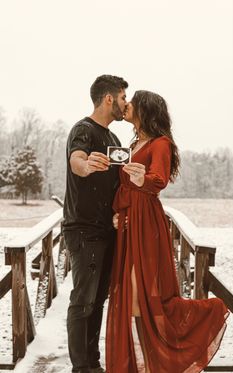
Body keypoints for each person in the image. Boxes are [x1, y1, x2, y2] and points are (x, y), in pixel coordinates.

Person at [106, 90, 229, 373]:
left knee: (145, 298)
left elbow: (158, 180)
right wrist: (119, 211)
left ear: (144, 110)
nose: (127, 106)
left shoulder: (160, 143)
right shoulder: (135, 142)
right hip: (129, 221)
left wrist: (142, 178)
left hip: (146, 223)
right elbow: (125, 187)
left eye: (132, 102)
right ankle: (148, 366)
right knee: (130, 299)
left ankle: (169, 353)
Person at [63, 74, 128, 373]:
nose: (125, 104)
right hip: (84, 229)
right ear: (109, 98)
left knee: (98, 300)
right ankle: (81, 368)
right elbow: (77, 159)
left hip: (107, 230)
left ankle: (93, 363)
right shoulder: (83, 130)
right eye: (123, 97)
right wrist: (86, 166)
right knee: (83, 300)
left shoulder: (115, 140)